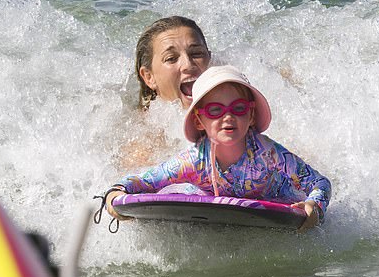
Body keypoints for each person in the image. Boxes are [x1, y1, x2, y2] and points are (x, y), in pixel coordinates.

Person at [105, 65, 331, 232]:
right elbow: (145, 181)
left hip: (275, 196)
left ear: (251, 115)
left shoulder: (268, 153)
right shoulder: (193, 160)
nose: (229, 116)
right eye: (215, 110)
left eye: (239, 108)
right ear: (198, 121)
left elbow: (319, 182)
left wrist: (314, 206)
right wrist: (115, 192)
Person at [135, 15, 212, 109]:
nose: (188, 65)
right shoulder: (135, 123)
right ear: (149, 77)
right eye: (171, 58)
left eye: (196, 53)